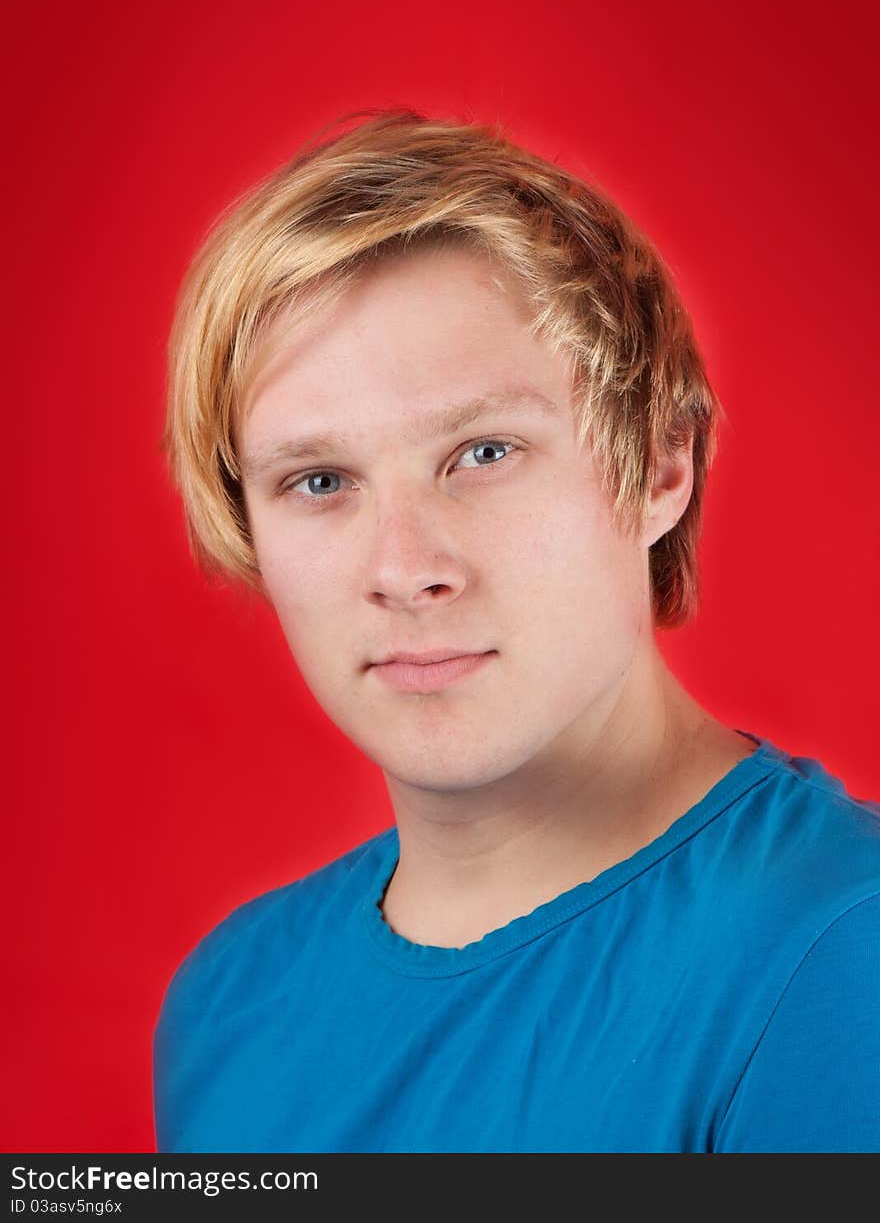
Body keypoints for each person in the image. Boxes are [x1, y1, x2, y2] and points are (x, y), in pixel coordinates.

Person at [153, 107, 880, 1153]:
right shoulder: (228, 1003)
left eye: (484, 452)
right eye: (319, 481)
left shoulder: (839, 957)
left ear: (660, 464)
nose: (405, 568)